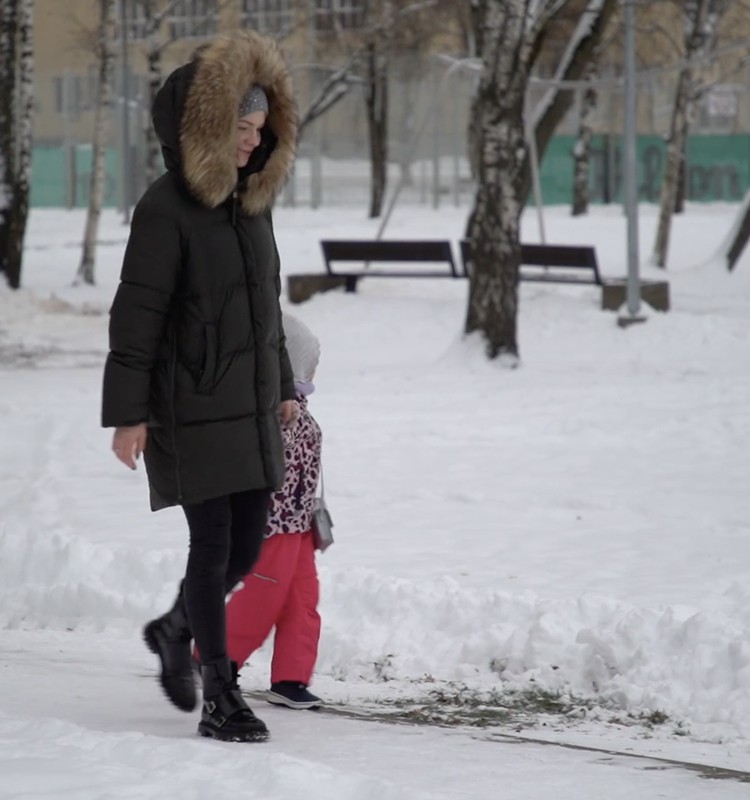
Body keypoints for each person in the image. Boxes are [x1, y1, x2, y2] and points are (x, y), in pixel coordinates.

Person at [101, 30, 298, 744]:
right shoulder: (165, 210)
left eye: (258, 129)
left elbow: (264, 306)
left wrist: (280, 384)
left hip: (245, 406)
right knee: (213, 544)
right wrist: (128, 414)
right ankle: (220, 693)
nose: (251, 142)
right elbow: (138, 313)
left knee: (248, 546)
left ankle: (175, 625)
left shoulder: (252, 205)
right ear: (208, 129)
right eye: (239, 129)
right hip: (187, 404)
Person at [221, 313, 324, 710]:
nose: (315, 368)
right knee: (263, 595)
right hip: (270, 520)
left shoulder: (296, 402)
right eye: (310, 359)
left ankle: (291, 678)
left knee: (302, 598)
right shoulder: (269, 405)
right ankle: (217, 661)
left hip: (299, 524)